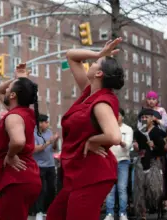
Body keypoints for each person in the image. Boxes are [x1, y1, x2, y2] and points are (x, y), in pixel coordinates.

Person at [47, 38, 124, 220]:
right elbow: (71, 56)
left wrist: (92, 140)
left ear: (99, 74)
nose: (92, 62)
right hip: (78, 172)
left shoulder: (102, 102)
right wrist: (100, 54)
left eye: (96, 63)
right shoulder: (88, 93)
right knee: (54, 216)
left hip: (92, 174)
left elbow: (114, 136)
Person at [0, 63, 42, 220]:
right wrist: (17, 79)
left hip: (17, 179)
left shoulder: (14, 117)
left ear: (12, 95)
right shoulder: (23, 113)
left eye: (9, 88)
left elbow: (18, 141)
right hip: (25, 177)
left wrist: (11, 155)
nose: (5, 89)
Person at [133, 109, 166, 220]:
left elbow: (163, 150)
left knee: (155, 189)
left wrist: (154, 146)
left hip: (154, 162)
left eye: (146, 117)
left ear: (152, 119)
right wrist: (136, 146)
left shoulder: (157, 132)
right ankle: (142, 214)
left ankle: (156, 208)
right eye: (142, 117)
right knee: (140, 189)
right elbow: (136, 148)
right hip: (141, 163)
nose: (144, 119)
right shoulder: (138, 132)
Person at [104, 108, 134, 220]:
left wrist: (120, 142)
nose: (116, 117)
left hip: (123, 161)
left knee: (122, 188)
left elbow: (128, 145)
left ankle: (123, 213)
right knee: (110, 188)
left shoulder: (128, 129)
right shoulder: (107, 128)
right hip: (109, 161)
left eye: (118, 115)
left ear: (123, 117)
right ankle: (109, 213)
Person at [33, 114, 59, 220]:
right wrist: (49, 141)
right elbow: (36, 149)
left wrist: (55, 141)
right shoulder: (33, 134)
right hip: (39, 165)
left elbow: (54, 148)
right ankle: (39, 211)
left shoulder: (49, 132)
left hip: (50, 164)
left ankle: (49, 211)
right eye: (46, 122)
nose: (48, 124)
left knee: (51, 188)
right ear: (40, 123)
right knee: (41, 189)